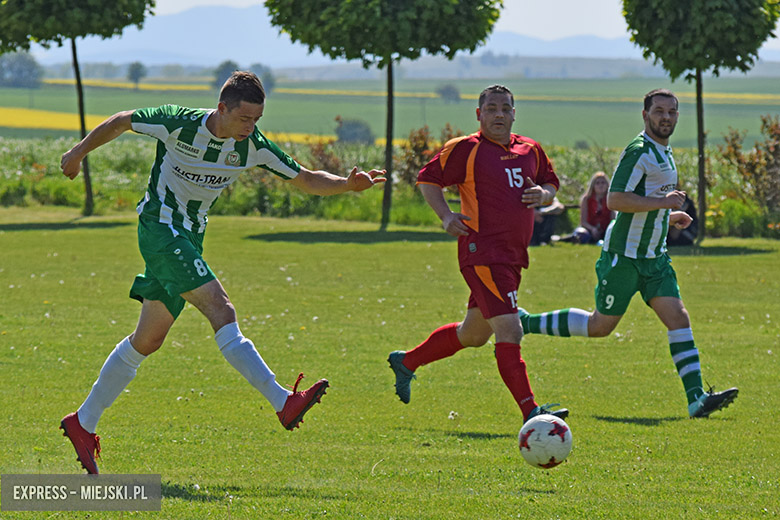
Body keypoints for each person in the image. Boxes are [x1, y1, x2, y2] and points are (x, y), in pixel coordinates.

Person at [58, 71, 386, 474]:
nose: (251, 127)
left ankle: (82, 421)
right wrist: (76, 153)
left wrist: (346, 185)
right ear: (223, 108)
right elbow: (122, 120)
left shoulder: (252, 146)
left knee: (148, 338)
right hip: (161, 229)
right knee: (222, 309)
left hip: (189, 239)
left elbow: (304, 178)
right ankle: (283, 402)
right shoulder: (179, 121)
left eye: (257, 120)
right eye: (245, 119)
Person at [517, 88, 737, 419]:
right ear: (645, 115)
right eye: (660, 111)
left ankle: (696, 400)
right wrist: (664, 204)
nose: (666, 117)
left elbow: (647, 200)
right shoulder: (638, 151)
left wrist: (668, 217)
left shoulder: (665, 151)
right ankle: (526, 323)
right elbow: (615, 200)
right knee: (600, 326)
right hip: (623, 257)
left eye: (672, 112)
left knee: (678, 318)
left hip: (655, 258)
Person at [387, 84, 568, 424]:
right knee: (511, 330)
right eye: (492, 108)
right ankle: (533, 414)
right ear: (479, 114)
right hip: (483, 252)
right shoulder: (465, 149)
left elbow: (550, 181)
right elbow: (428, 180)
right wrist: (446, 216)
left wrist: (544, 195)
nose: (499, 114)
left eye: (505, 108)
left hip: (513, 258)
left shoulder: (531, 149)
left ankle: (407, 361)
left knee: (473, 334)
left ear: (514, 113)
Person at [571, 171, 614, 244]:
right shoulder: (586, 199)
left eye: (603, 183)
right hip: (590, 229)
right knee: (581, 234)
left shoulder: (611, 199)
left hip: (606, 230)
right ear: (593, 186)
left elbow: (613, 219)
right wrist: (593, 229)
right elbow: (583, 222)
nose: (600, 185)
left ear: (607, 185)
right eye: (597, 183)